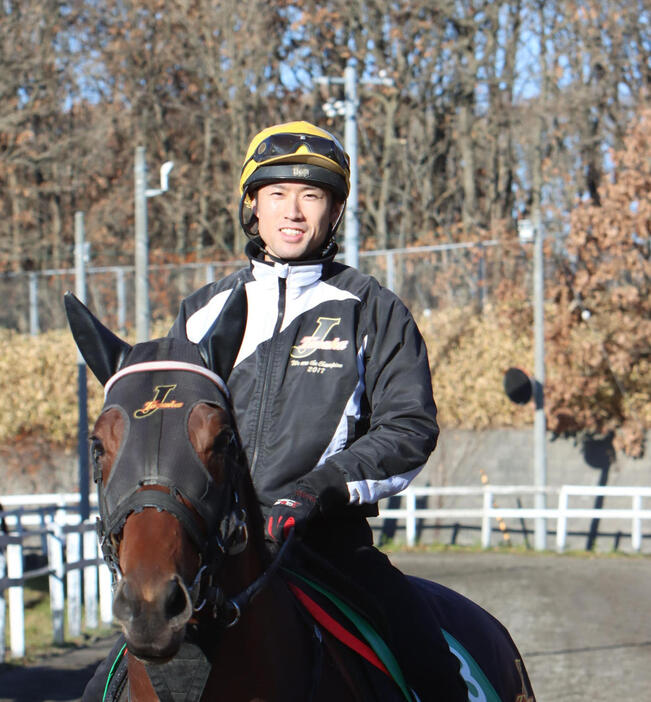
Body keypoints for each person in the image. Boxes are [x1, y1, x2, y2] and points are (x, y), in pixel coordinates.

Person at [84, 121, 467, 700]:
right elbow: (161, 426)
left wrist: (316, 489)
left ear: (333, 213)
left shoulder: (374, 310)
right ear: (252, 207)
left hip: (327, 546)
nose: (294, 211)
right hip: (215, 549)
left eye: (312, 196)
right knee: (98, 689)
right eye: (277, 195)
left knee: (431, 666)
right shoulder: (201, 312)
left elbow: (409, 428)